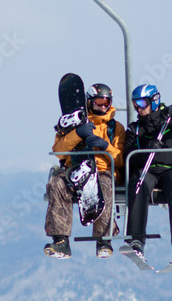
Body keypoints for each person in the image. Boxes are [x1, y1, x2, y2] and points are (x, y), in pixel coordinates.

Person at [123, 83, 172, 264]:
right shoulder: (135, 129)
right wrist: (145, 150)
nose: (138, 108)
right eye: (135, 103)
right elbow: (127, 156)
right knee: (138, 184)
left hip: (171, 169)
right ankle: (136, 239)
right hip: (148, 169)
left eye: (142, 103)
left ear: (153, 101)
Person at [45, 83, 125, 259]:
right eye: (98, 102)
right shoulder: (72, 123)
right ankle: (61, 240)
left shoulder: (115, 128)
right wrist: (78, 134)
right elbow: (59, 149)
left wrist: (105, 146)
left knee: (104, 185)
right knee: (58, 184)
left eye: (106, 103)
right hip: (76, 167)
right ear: (89, 102)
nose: (103, 106)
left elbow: (121, 160)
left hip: (102, 170)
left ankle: (104, 238)